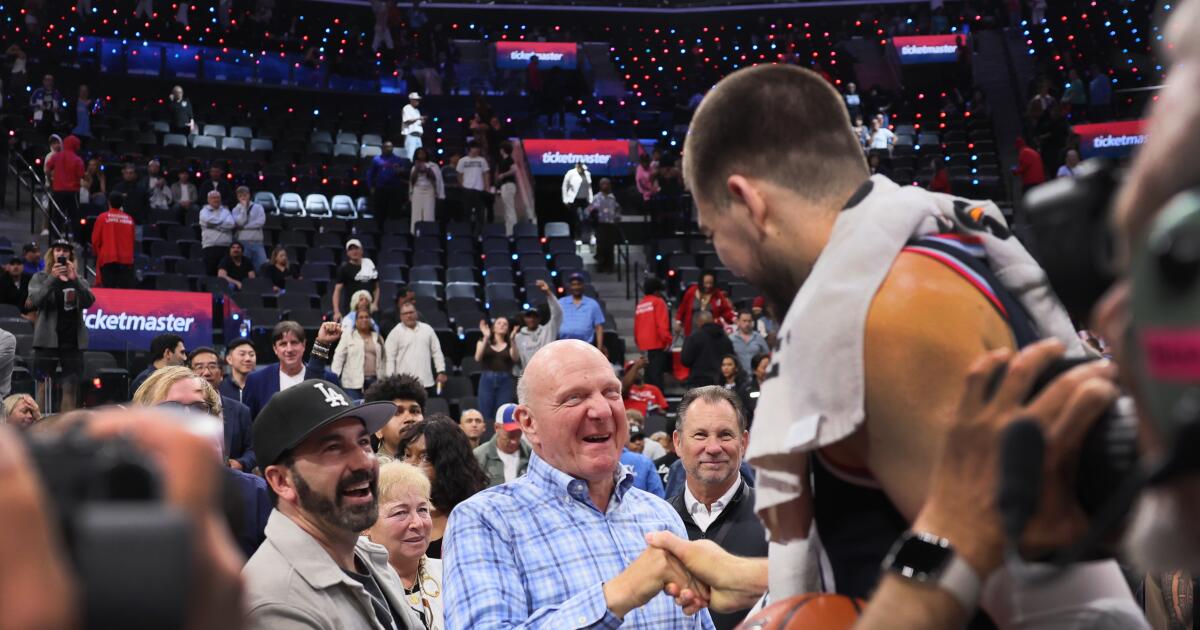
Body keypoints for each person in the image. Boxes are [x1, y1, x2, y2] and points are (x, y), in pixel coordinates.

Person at [678, 63, 1139, 624]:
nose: (722, 256)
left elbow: (1006, 593)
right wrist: (748, 578)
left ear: (748, 202)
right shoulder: (913, 270)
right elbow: (914, 546)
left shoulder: (890, 310)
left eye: (712, 232)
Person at [442, 340, 715, 628]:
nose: (602, 410)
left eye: (611, 392)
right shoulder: (485, 521)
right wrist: (619, 595)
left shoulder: (661, 516)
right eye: (574, 397)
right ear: (529, 423)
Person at [243, 378, 423, 630]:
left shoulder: (366, 555)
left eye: (363, 442)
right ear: (282, 481)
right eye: (333, 448)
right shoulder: (278, 602)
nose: (363, 462)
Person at [667, 386, 765, 630]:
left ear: (743, 442)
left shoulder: (780, 519)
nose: (713, 447)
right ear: (678, 443)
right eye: (700, 435)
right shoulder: (656, 524)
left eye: (725, 435)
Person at [365, 462, 445, 630]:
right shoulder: (357, 586)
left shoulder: (450, 574)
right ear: (365, 525)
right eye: (400, 512)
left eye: (423, 510)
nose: (417, 523)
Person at [397, 417, 489, 559]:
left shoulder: (475, 516)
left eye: (425, 457)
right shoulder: (391, 512)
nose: (410, 465)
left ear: (450, 465)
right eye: (407, 455)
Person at [29, 240, 94, 412]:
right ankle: (38, 426)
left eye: (65, 251)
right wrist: (52, 278)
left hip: (72, 340)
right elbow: (35, 301)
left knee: (70, 387)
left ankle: (66, 432)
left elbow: (89, 302)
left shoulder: (78, 279)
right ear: (52, 253)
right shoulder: (40, 278)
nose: (61, 254)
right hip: (47, 340)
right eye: (58, 250)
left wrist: (75, 281)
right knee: (42, 385)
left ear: (71, 256)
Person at [242, 321, 342, 420]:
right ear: (275, 349)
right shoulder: (256, 381)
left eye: (294, 343)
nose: (289, 349)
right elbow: (248, 424)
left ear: (304, 345)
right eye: (283, 344)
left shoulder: (329, 379)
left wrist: (322, 343)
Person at [188, 347, 256, 472]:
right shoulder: (182, 410)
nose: (206, 372)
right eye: (199, 367)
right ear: (190, 374)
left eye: (212, 366)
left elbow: (252, 450)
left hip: (233, 482)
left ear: (221, 373)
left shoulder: (240, 410)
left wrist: (241, 463)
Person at [383, 302, 447, 396]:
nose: (409, 316)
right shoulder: (394, 333)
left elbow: (437, 352)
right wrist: (391, 381)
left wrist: (441, 371)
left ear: (416, 313)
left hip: (427, 382)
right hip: (404, 385)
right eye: (405, 314)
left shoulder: (427, 329)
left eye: (411, 312)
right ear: (401, 316)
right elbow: (389, 359)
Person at [365, 373, 427, 463]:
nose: (409, 418)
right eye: (397, 413)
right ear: (378, 430)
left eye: (415, 411)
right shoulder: (373, 472)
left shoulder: (437, 464)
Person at [332, 305, 388, 399]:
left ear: (370, 320)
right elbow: (339, 356)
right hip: (352, 384)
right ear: (356, 321)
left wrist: (385, 380)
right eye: (361, 317)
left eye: (367, 317)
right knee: (354, 410)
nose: (364, 319)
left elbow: (384, 360)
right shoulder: (348, 336)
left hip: (375, 383)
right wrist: (334, 377)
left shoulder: (378, 337)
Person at [510, 279, 561, 378]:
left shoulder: (548, 330)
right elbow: (516, 360)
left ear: (539, 318)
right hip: (528, 377)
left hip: (547, 374)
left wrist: (548, 293)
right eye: (528, 316)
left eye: (534, 316)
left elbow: (558, 314)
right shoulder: (518, 337)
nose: (532, 319)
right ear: (524, 319)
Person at [473, 403, 531, 488]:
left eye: (518, 434)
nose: (514, 441)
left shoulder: (531, 455)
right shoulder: (479, 456)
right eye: (510, 436)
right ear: (496, 427)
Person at [89, 191, 136, 289]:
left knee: (109, 293)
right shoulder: (129, 219)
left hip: (107, 259)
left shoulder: (102, 218)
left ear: (109, 202)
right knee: (124, 294)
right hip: (126, 261)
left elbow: (95, 240)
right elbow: (133, 240)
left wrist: (96, 254)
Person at [474, 316, 515, 425]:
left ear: (507, 329)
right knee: (485, 413)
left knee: (503, 413)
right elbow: (478, 357)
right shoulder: (483, 341)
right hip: (487, 379)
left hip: (505, 380)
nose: (502, 325)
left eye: (505, 324)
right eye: (499, 323)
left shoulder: (511, 343)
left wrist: (512, 339)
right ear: (493, 328)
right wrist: (486, 338)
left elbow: (515, 358)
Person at [634, 276, 672, 390]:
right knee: (657, 377)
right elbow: (662, 325)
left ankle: (649, 402)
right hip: (657, 345)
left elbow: (636, 327)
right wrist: (668, 340)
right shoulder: (658, 302)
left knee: (648, 377)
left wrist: (639, 344)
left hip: (644, 347)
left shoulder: (640, 304)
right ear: (656, 291)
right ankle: (659, 403)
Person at [681, 312, 735, 389]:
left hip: (698, 382)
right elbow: (731, 357)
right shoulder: (725, 338)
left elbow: (685, 360)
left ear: (699, 321)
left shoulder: (694, 337)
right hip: (720, 382)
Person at [44, 134, 84, 237]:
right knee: (74, 216)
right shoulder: (77, 159)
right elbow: (81, 175)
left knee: (57, 215)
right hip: (72, 192)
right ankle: (76, 238)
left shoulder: (56, 156)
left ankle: (56, 238)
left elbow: (47, 169)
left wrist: (50, 180)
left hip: (58, 190)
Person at [675, 270, 734, 337]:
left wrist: (734, 319)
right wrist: (678, 322)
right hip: (692, 332)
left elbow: (726, 310)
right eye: (706, 283)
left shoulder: (717, 294)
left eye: (711, 283)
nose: (708, 286)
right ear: (701, 282)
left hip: (711, 334)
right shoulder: (691, 291)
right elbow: (682, 309)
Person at [333, 239, 380, 322]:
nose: (354, 251)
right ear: (347, 253)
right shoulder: (344, 269)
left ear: (361, 250)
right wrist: (336, 312)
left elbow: (376, 287)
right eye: (351, 249)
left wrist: (375, 303)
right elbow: (337, 291)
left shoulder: (369, 265)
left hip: (369, 309)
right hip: (351, 309)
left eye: (356, 248)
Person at [557, 272, 605, 350]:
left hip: (586, 346)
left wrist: (599, 348)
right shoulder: (561, 302)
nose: (576, 287)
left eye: (578, 284)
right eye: (573, 284)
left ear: (583, 286)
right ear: (570, 287)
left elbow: (598, 327)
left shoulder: (592, 304)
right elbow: (553, 323)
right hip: (564, 346)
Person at [589, 177, 622, 273]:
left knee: (610, 246)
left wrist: (617, 217)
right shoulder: (596, 197)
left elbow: (618, 209)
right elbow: (589, 210)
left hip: (611, 225)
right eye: (603, 184)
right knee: (601, 245)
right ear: (600, 185)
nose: (605, 186)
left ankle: (610, 267)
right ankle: (600, 266)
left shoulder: (613, 198)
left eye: (607, 184)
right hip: (600, 224)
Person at [200, 190, 235, 277]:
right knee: (210, 273)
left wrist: (215, 226)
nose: (216, 200)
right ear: (208, 200)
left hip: (225, 247)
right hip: (210, 246)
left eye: (218, 198)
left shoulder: (226, 211)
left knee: (225, 275)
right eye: (213, 198)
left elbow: (231, 224)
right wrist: (222, 223)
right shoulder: (204, 211)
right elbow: (208, 221)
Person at [369, 140, 407, 221]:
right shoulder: (376, 159)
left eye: (391, 147)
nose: (389, 148)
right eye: (387, 147)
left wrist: (400, 170)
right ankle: (379, 230)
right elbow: (371, 174)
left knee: (394, 211)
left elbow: (403, 172)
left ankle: (392, 230)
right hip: (380, 188)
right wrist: (371, 186)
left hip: (394, 189)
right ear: (382, 148)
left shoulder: (398, 159)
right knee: (380, 211)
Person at [232, 186, 268, 271]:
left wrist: (244, 227)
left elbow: (260, 222)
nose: (243, 197)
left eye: (245, 194)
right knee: (244, 269)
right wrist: (243, 208)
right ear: (237, 197)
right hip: (243, 243)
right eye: (240, 195)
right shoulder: (235, 210)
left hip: (257, 243)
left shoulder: (258, 207)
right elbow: (240, 222)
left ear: (249, 195)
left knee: (262, 267)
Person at [408, 146, 444, 230]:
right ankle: (416, 232)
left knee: (429, 213)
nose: (421, 155)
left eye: (423, 153)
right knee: (416, 214)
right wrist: (417, 170)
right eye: (419, 154)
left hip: (429, 191)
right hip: (417, 191)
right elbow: (412, 181)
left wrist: (427, 170)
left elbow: (437, 180)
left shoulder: (433, 165)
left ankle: (428, 232)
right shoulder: (414, 167)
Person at [455, 142, 490, 226]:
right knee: (466, 212)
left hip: (479, 189)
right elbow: (459, 174)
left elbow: (486, 174)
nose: (477, 150)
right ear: (470, 149)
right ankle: (467, 232)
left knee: (480, 213)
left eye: (478, 148)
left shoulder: (482, 160)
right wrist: (462, 185)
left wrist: (486, 186)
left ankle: (480, 233)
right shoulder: (462, 160)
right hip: (467, 189)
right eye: (475, 148)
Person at [110, 163, 149, 234]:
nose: (128, 175)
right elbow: (111, 204)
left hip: (137, 222)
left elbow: (146, 206)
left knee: (137, 244)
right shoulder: (117, 187)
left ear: (135, 175)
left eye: (131, 173)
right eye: (126, 173)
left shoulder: (141, 189)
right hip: (120, 221)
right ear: (123, 174)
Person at [728, 309, 769, 375]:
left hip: (756, 376)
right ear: (738, 322)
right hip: (739, 378)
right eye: (744, 321)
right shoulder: (731, 339)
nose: (747, 323)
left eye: (749, 321)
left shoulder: (759, 337)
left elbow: (767, 356)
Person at [561, 162, 593, 241]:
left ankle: (587, 236)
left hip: (585, 200)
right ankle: (577, 237)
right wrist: (565, 199)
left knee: (587, 218)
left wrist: (591, 199)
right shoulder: (570, 173)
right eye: (581, 168)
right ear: (577, 166)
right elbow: (565, 186)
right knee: (577, 218)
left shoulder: (587, 174)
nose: (582, 170)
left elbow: (589, 188)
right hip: (574, 200)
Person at [494, 141, 519, 234]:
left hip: (509, 185)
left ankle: (512, 230)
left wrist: (503, 175)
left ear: (503, 150)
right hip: (504, 185)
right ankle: (509, 230)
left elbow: (514, 169)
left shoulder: (510, 159)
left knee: (509, 207)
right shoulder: (502, 160)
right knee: (507, 208)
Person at [222, 337, 256, 402]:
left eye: (252, 355)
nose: (248, 359)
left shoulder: (263, 386)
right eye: (242, 354)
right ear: (229, 359)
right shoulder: (220, 388)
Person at [401, 93, 427, 159]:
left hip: (418, 136)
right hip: (410, 136)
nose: (418, 101)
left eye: (418, 100)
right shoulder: (407, 108)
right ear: (411, 100)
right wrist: (419, 118)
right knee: (410, 155)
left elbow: (418, 123)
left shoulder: (417, 110)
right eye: (416, 100)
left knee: (420, 156)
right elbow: (407, 120)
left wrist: (422, 121)